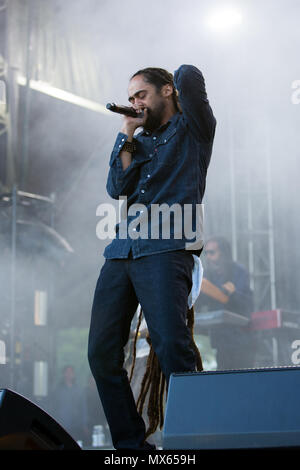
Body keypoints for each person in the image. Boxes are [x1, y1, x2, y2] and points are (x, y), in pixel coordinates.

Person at [88, 64, 216, 450]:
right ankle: (131, 444)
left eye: (140, 95)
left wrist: (175, 80)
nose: (134, 103)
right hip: (122, 251)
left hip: (166, 249)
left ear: (168, 91)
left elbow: (189, 75)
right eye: (130, 98)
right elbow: (117, 185)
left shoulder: (193, 128)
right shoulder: (139, 142)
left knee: (171, 345)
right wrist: (127, 131)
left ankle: (199, 439)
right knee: (100, 352)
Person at [194, 236, 255, 369]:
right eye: (206, 253)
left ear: (223, 253)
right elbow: (200, 303)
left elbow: (247, 304)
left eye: (212, 253)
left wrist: (232, 294)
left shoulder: (238, 271)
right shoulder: (207, 275)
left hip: (241, 338)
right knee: (224, 375)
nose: (208, 257)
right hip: (220, 340)